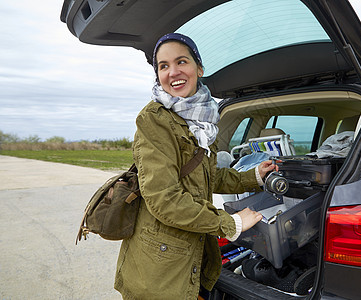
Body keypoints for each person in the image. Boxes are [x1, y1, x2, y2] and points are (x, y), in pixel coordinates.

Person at [114, 33, 276, 300]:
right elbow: (164, 199)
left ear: (199, 68)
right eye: (163, 66)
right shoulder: (154, 120)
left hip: (192, 251)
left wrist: (254, 177)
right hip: (159, 266)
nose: (173, 72)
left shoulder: (204, 120)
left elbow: (207, 176)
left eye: (181, 61)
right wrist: (230, 223)